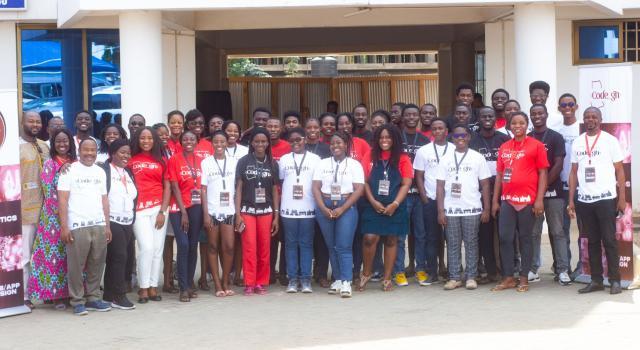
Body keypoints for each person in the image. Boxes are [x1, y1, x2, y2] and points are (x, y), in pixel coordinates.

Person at [568, 107, 625, 295]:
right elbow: (574, 172)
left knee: (609, 240)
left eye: (594, 116)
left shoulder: (610, 141)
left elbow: (620, 171)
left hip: (606, 199)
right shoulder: (577, 142)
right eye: (587, 117)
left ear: (600, 119)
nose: (590, 119)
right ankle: (596, 280)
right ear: (583, 120)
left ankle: (615, 281)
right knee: (591, 242)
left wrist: (622, 199)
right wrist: (571, 200)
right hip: (585, 200)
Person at [491, 112, 548, 292]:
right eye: (514, 123)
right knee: (505, 238)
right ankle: (508, 277)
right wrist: (495, 201)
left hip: (527, 201)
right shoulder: (504, 147)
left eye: (521, 123)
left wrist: (539, 200)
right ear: (509, 126)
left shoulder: (537, 146)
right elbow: (500, 175)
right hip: (507, 201)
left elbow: (543, 173)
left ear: (527, 125)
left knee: (525, 240)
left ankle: (524, 278)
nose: (517, 126)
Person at [58, 138, 112, 316]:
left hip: (98, 224)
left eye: (92, 150)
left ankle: (93, 298)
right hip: (77, 225)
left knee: (97, 263)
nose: (89, 153)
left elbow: (104, 200)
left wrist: (107, 225)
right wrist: (64, 227)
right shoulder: (69, 170)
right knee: (76, 266)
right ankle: (77, 301)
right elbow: (63, 200)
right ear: (79, 151)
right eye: (85, 150)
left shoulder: (100, 171)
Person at [437, 125, 491, 290]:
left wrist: (486, 208)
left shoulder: (477, 157)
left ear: (469, 137)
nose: (460, 138)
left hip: (472, 208)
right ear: (451, 138)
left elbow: (486, 184)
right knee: (452, 243)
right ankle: (454, 278)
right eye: (456, 135)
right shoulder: (445, 159)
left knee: (471, 242)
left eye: (463, 135)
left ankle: (471, 277)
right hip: (451, 209)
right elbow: (440, 186)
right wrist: (440, 211)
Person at [358, 125, 412, 292]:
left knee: (391, 240)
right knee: (369, 238)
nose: (384, 141)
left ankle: (387, 277)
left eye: (388, 137)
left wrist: (395, 204)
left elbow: (406, 183)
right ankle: (366, 273)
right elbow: (364, 181)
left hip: (395, 206)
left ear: (394, 139)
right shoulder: (370, 155)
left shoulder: (403, 158)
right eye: (381, 137)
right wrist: (373, 201)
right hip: (373, 204)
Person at [312, 131, 365, 298]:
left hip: (346, 206)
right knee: (331, 246)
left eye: (339, 143)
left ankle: (346, 281)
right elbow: (315, 187)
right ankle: (337, 279)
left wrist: (342, 209)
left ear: (346, 145)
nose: (336, 146)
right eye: (333, 143)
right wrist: (322, 208)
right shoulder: (322, 164)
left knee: (343, 246)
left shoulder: (354, 164)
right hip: (325, 206)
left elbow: (359, 190)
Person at [27, 128, 75, 310]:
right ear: (53, 145)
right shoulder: (49, 164)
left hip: (74, 214)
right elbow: (49, 191)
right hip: (54, 217)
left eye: (65, 141)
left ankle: (72, 292)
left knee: (71, 255)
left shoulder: (76, 163)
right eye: (58, 142)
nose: (62, 144)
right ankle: (56, 296)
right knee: (55, 256)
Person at [527, 104, 570, 285]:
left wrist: (542, 188)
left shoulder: (556, 137)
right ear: (530, 116)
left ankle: (562, 270)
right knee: (533, 232)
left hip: (554, 192)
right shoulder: (526, 138)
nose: (537, 116)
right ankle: (532, 268)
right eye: (534, 114)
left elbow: (558, 164)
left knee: (557, 231)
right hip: (531, 193)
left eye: (540, 113)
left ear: (546, 115)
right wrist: (535, 191)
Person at [234, 128, 280, 295]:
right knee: (249, 247)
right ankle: (249, 282)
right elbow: (238, 188)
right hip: (247, 210)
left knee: (264, 248)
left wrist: (276, 215)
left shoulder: (272, 163)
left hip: (266, 211)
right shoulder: (243, 161)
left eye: (263, 141)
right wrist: (237, 213)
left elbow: (275, 190)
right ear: (251, 143)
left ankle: (260, 282)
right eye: (257, 141)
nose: (260, 144)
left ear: (268, 143)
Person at [128, 127, 171, 303]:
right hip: (139, 210)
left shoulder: (161, 161)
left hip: (158, 209)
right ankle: (143, 287)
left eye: (149, 138)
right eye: (142, 138)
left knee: (157, 249)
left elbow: (167, 187)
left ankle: (153, 287)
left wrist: (162, 210)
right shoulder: (131, 160)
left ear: (155, 141)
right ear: (137, 140)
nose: (146, 141)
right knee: (146, 247)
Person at [469, 107, 510, 284]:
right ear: (478, 118)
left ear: (496, 119)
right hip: (480, 195)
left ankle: (505, 271)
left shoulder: (504, 139)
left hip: (503, 193)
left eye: (490, 116)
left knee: (503, 235)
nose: (487, 118)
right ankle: (490, 272)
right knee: (484, 236)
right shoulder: (472, 141)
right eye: (483, 116)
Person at [279, 127, 321, 293]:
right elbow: (282, 181)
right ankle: (292, 279)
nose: (295, 143)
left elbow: (318, 183)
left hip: (308, 208)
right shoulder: (283, 159)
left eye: (299, 139)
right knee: (290, 244)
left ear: (305, 139)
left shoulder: (315, 159)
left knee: (306, 243)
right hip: (288, 209)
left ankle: (305, 279)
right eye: (292, 140)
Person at [167, 131, 205, 301]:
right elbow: (174, 187)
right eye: (185, 139)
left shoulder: (201, 160)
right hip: (178, 208)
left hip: (196, 206)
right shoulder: (174, 159)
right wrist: (183, 212)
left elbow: (203, 186)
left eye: (192, 139)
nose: (188, 141)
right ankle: (182, 287)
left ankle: (189, 284)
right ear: (180, 141)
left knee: (192, 245)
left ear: (197, 141)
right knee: (182, 244)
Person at [395, 104, 430, 286]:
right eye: (407, 114)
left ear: (418, 117)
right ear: (402, 117)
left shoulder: (424, 140)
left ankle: (420, 269)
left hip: (419, 194)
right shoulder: (396, 138)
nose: (411, 117)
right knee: (400, 235)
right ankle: (399, 271)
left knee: (421, 234)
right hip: (401, 194)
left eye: (414, 114)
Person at [100, 139, 137, 310]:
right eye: (122, 152)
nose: (126, 155)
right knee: (120, 257)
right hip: (112, 219)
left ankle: (108, 295)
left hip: (128, 220)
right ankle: (119, 295)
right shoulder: (104, 170)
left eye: (128, 153)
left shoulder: (128, 172)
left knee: (118, 257)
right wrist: (106, 224)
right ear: (112, 153)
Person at [19, 110, 50, 309]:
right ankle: (23, 295)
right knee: (25, 256)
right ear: (22, 123)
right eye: (31, 121)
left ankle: (45, 291)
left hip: (46, 210)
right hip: (24, 210)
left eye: (38, 121)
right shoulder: (14, 147)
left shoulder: (44, 146)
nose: (35, 124)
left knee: (44, 254)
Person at [201, 130, 238, 297]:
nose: (219, 145)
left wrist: (238, 212)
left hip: (229, 210)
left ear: (227, 142)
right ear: (212, 143)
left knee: (229, 247)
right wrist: (206, 214)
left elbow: (238, 188)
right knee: (213, 246)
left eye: (222, 141)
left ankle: (225, 280)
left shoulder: (234, 162)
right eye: (216, 142)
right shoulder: (206, 162)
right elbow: (203, 190)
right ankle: (217, 283)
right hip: (213, 210)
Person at [185, 109, 213, 290]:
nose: (197, 127)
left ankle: (204, 276)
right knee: (189, 242)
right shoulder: (185, 144)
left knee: (204, 242)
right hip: (187, 201)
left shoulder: (209, 146)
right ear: (188, 125)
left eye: (201, 123)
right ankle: (188, 278)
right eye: (194, 123)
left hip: (206, 199)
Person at [304, 118, 331, 288]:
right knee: (307, 238)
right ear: (304, 129)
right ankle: (305, 272)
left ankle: (321, 273)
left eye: (315, 127)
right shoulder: (301, 147)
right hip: (303, 199)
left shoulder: (326, 149)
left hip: (322, 198)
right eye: (309, 127)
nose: (312, 130)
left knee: (322, 238)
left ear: (320, 129)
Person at [556, 93, 580, 277]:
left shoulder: (583, 129)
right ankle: (564, 267)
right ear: (559, 108)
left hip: (583, 187)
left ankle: (583, 264)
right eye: (563, 105)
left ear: (576, 106)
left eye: (570, 104)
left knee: (584, 229)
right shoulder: (555, 131)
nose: (567, 107)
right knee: (562, 230)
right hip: (561, 187)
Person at [222, 120, 249, 287]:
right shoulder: (217, 148)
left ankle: (238, 274)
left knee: (239, 238)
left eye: (235, 131)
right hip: (221, 200)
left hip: (241, 197)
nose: (232, 134)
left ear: (240, 134)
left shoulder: (245, 151)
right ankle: (225, 273)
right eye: (228, 131)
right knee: (225, 241)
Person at [265, 116, 290, 285]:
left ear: (281, 129)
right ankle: (269, 272)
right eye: (270, 126)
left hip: (286, 199)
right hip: (266, 199)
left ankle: (284, 273)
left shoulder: (288, 147)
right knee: (271, 239)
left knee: (286, 238)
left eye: (276, 126)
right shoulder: (261, 145)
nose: (273, 129)